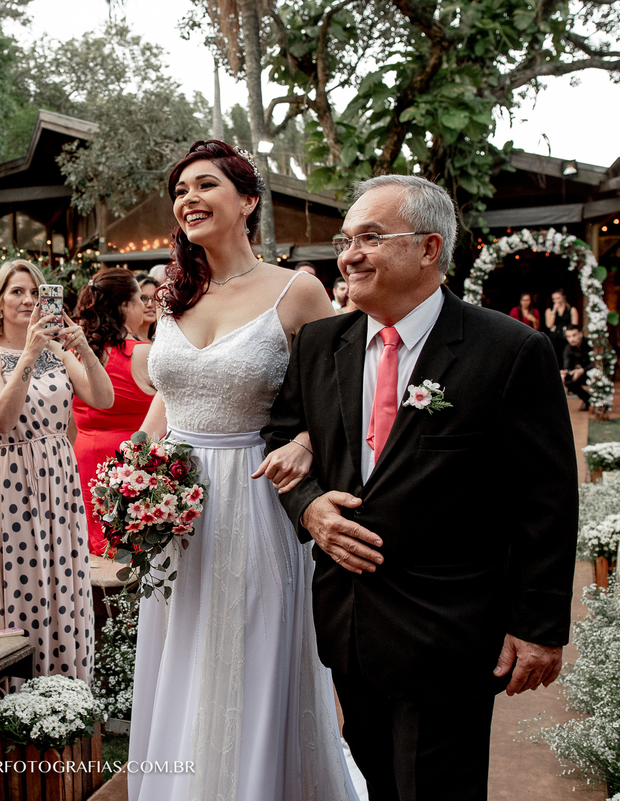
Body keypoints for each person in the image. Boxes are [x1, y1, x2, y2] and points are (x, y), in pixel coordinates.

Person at [264, 174, 578, 801]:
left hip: (450, 632)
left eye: (371, 238)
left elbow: (546, 499)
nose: (349, 255)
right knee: (378, 783)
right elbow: (282, 435)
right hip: (350, 623)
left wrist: (540, 626)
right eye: (346, 240)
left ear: (430, 247)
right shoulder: (322, 344)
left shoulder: (509, 350)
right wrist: (309, 507)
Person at [129, 140, 358, 801]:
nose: (188, 199)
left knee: (249, 650)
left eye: (205, 185)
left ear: (248, 200)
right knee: (183, 650)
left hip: (257, 495)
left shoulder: (297, 290)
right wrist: (132, 470)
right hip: (174, 504)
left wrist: (307, 442)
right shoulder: (175, 296)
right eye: (180, 191)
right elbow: (168, 396)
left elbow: (344, 392)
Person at [0, 258, 114, 681]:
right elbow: (1, 419)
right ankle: (21, 685)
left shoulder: (57, 350)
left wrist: (82, 349)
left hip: (59, 475)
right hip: (14, 478)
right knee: (23, 577)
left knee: (64, 576)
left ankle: (67, 682)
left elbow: (103, 398)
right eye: (17, 291)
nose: (28, 300)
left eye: (35, 292)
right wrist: (29, 353)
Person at [71, 268, 156, 555]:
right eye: (140, 298)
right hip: (129, 466)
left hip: (83, 460)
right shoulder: (143, 354)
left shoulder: (77, 354)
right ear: (124, 306)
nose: (145, 304)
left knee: (89, 550)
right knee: (131, 552)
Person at [561, 324, 592, 410]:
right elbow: (566, 366)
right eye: (568, 336)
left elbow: (596, 363)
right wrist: (565, 373)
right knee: (568, 380)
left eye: (574, 335)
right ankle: (588, 399)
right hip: (581, 373)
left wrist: (582, 370)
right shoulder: (568, 349)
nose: (572, 339)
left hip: (594, 371)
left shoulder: (590, 344)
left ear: (580, 334)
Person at [545, 288, 578, 355]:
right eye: (554, 299)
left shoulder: (571, 310)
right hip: (554, 337)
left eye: (558, 298)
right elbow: (549, 325)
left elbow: (574, 326)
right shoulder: (549, 310)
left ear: (564, 297)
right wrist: (554, 311)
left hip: (566, 337)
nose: (556, 301)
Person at [132, 275, 159, 341]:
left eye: (154, 298)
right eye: (143, 298)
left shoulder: (160, 340)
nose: (150, 304)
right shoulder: (125, 343)